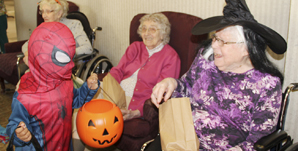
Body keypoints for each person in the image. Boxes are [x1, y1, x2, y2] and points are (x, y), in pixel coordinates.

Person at [150, 0, 287, 150]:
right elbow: (186, 86)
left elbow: (257, 141)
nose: (214, 45)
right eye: (215, 38)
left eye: (223, 42)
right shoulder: (206, 59)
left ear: (246, 49)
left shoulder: (267, 85)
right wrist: (171, 83)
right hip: (183, 139)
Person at [74, 12, 181, 151]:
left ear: (163, 34)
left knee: (95, 123)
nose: (147, 33)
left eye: (153, 29)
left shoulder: (171, 57)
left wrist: (137, 112)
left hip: (137, 102)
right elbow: (117, 71)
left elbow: (162, 94)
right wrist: (102, 84)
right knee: (80, 116)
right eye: (144, 28)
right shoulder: (135, 47)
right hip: (114, 93)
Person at [6, 22, 99, 151]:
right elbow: (13, 123)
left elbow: (75, 100)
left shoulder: (65, 82)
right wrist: (18, 134)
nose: (71, 65)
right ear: (43, 57)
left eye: (71, 57)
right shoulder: (25, 96)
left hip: (64, 145)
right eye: (63, 58)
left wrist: (88, 89)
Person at [22, 0, 93, 58]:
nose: (43, 16)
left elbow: (87, 48)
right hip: (46, 66)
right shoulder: (43, 27)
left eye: (48, 11)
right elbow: (26, 45)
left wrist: (61, 54)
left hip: (69, 66)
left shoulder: (74, 25)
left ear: (59, 13)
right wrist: (28, 54)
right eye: (42, 11)